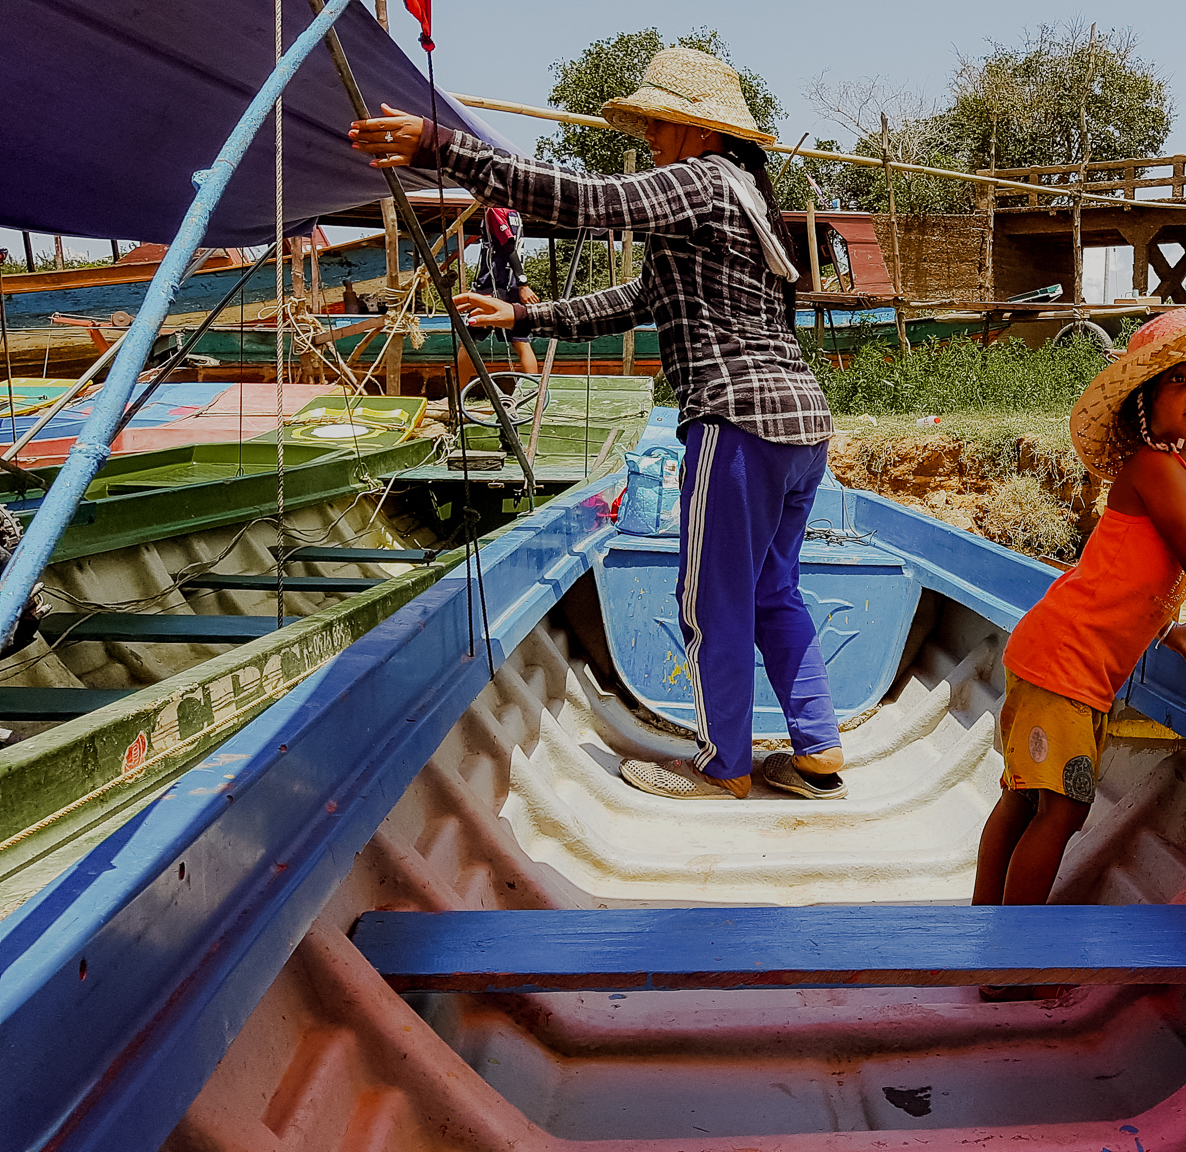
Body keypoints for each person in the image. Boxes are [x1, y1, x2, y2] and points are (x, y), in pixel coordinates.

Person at [349, 47, 845, 802]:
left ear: (699, 130)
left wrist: (446, 148)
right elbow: (635, 301)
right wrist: (526, 314)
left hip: (739, 422)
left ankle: (725, 769)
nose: (648, 136)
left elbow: (589, 203)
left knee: (709, 597)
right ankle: (817, 753)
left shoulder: (701, 179)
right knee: (774, 591)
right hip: (802, 426)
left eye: (657, 123)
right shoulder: (746, 198)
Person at [973, 309, 1186, 934]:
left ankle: (983, 931)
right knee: (1061, 810)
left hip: (1072, 661)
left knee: (1023, 799)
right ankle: (1005, 959)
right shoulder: (1154, 467)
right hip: (1063, 661)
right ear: (1147, 404)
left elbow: (1136, 573)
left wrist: (1168, 626)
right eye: (1180, 379)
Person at [452, 206, 539, 384]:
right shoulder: (515, 214)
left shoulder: (495, 211)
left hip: (494, 284)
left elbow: (508, 247)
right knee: (520, 340)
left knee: (468, 340)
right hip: (510, 285)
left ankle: (457, 394)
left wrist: (523, 283)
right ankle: (534, 395)